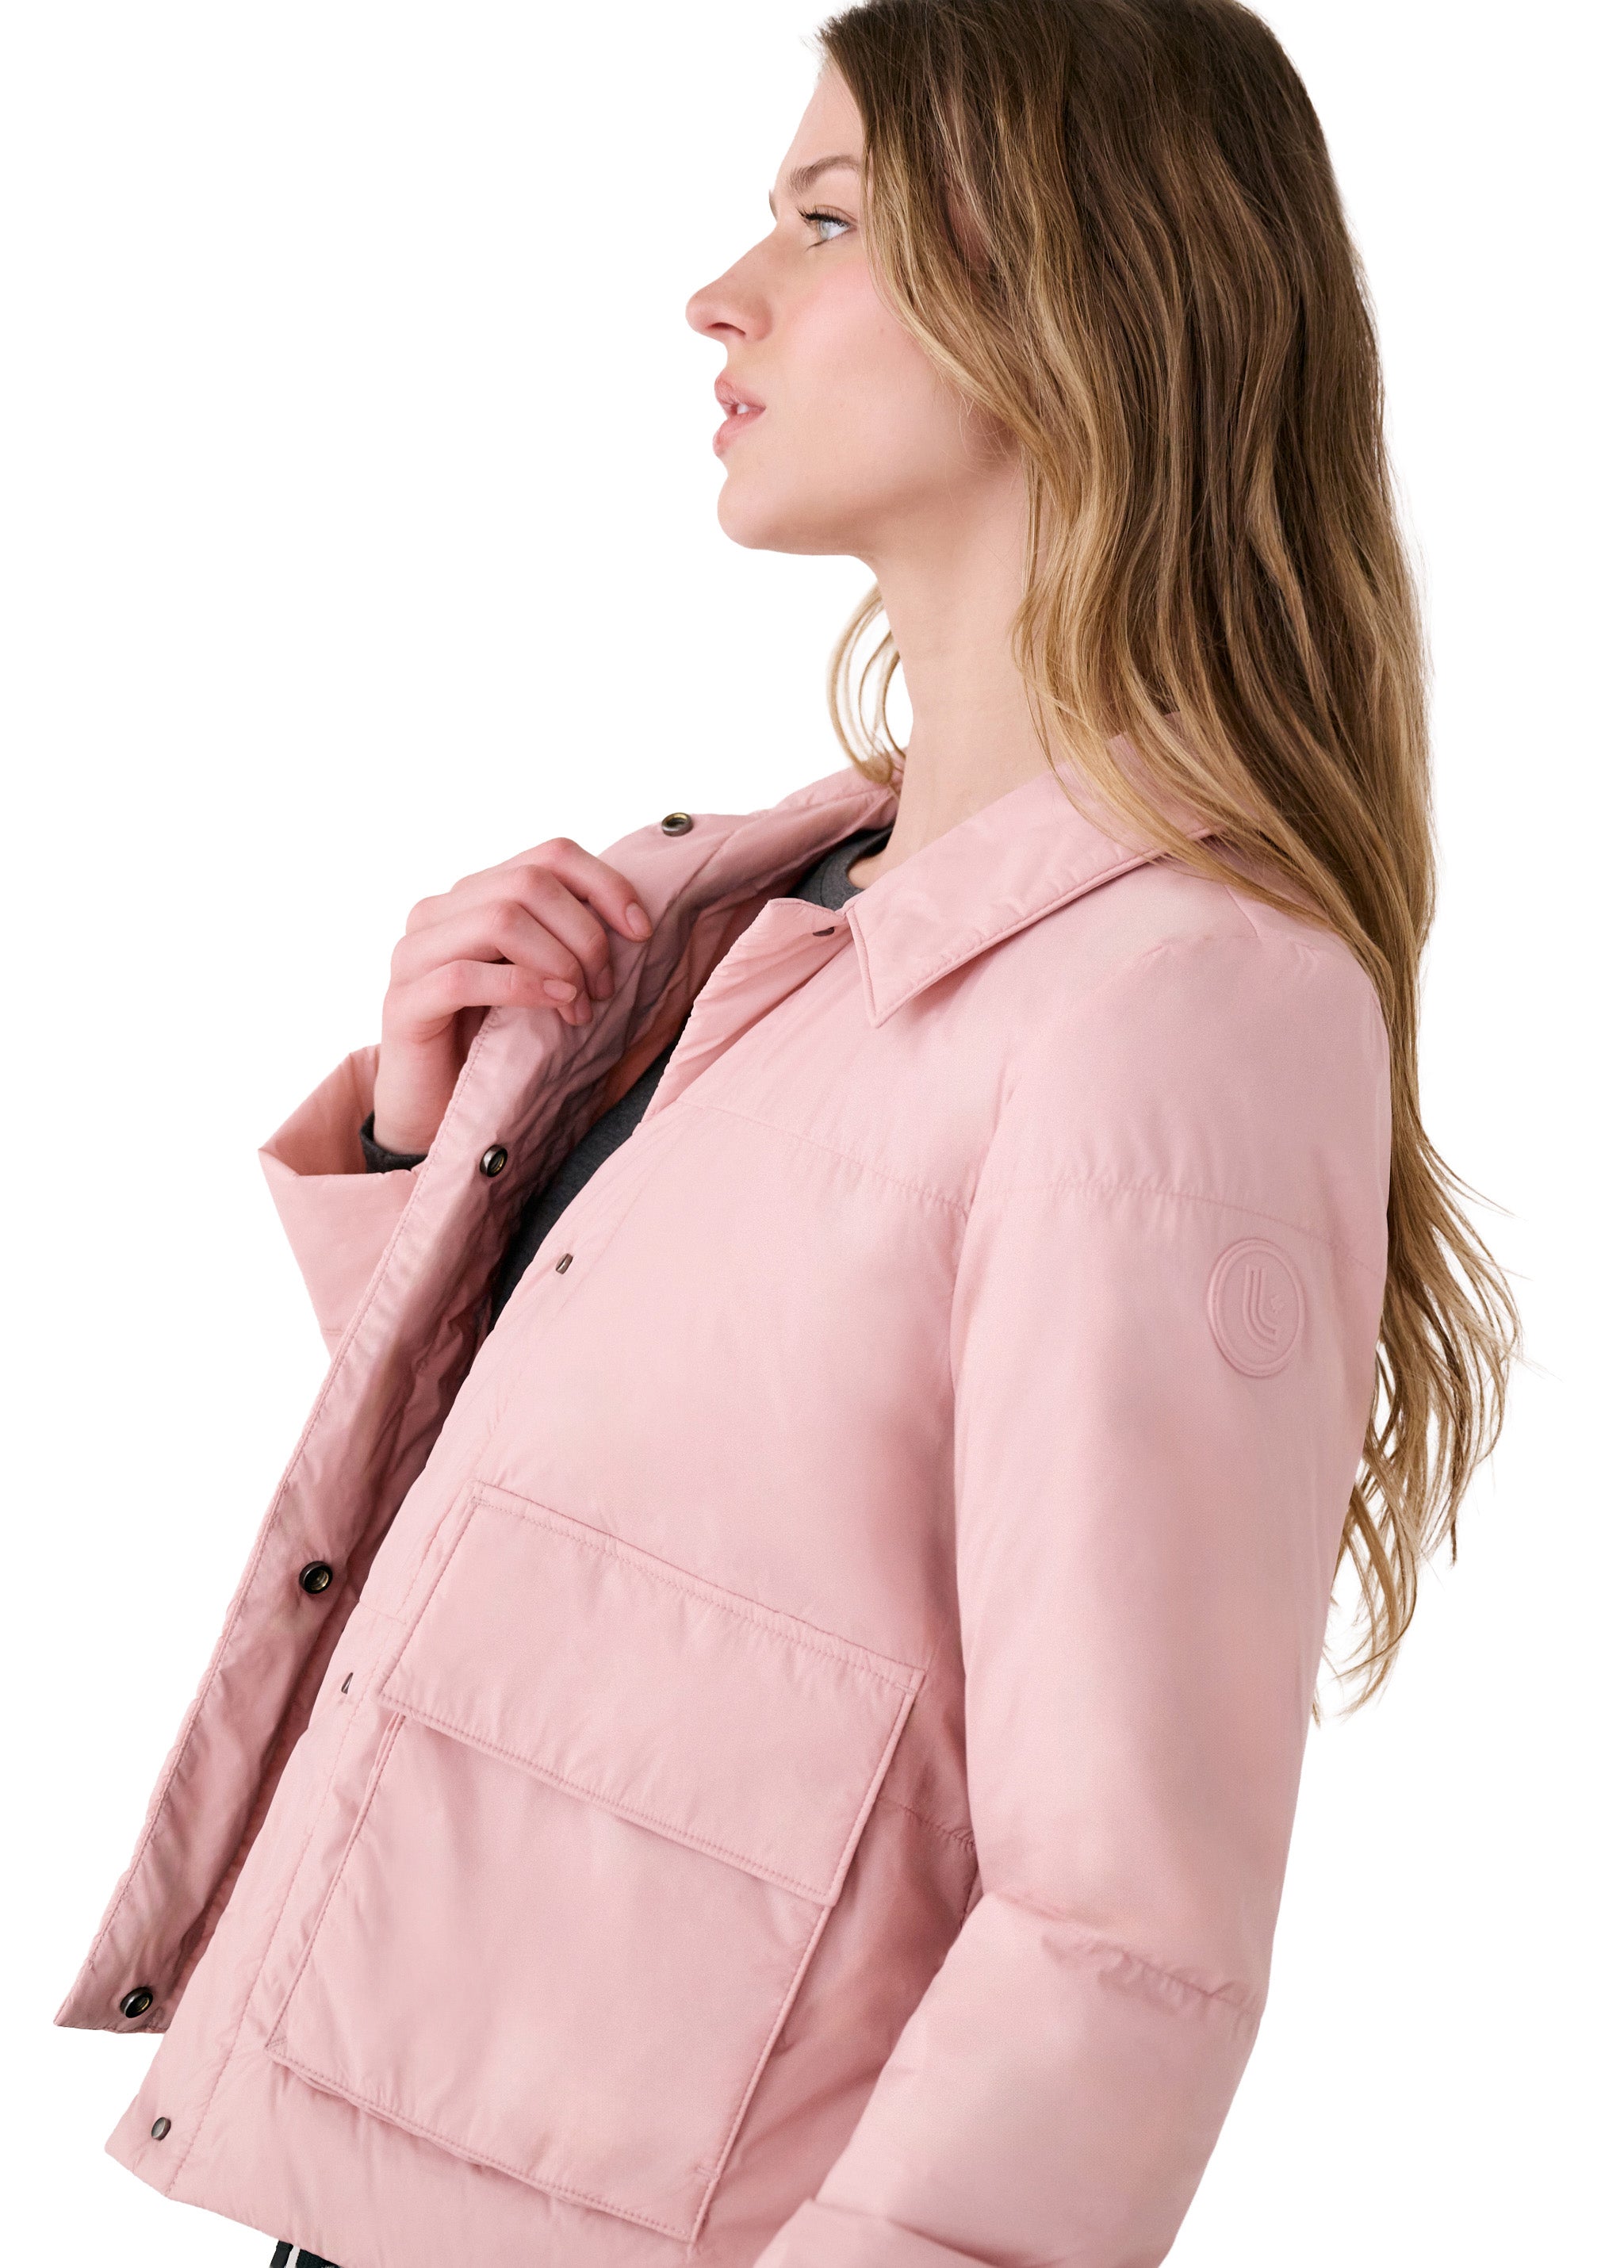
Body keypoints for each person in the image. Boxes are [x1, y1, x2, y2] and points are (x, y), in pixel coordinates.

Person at [59, 4, 1518, 2265]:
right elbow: (677, 1552)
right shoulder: (763, 902)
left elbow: (1122, 1931)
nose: (719, 294)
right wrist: (444, 1155)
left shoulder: (1178, 1010)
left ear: (1083, 295)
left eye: (826, 220)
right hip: (383, 2184)